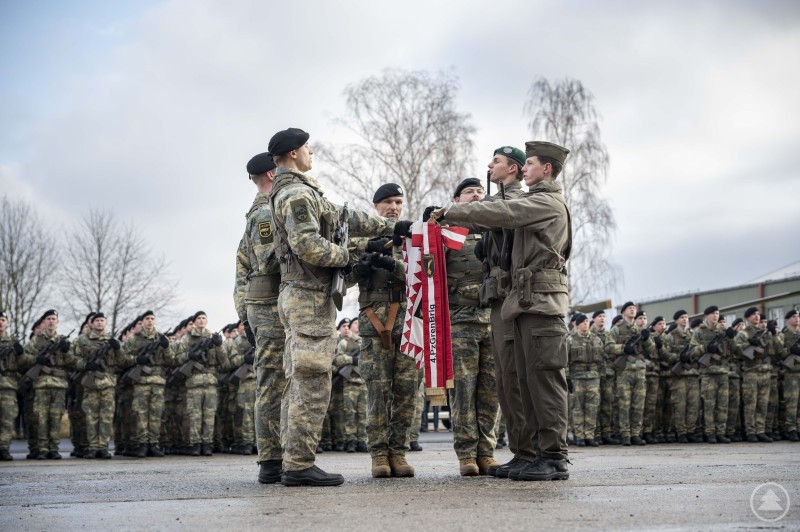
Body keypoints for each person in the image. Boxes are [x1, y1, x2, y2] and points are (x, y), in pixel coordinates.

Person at [431, 140, 572, 481]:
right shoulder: (531, 199)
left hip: (540, 299)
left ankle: (552, 457)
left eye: (531, 163)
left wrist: (450, 212)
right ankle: (527, 453)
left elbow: (505, 213)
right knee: (517, 382)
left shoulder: (544, 201)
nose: (526, 169)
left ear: (546, 169)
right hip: (520, 300)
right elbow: (496, 217)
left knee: (542, 381)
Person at [268, 127, 401, 486]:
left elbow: (342, 218)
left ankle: (290, 461)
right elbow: (309, 245)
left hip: (305, 295)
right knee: (311, 382)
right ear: (294, 153)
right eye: (308, 148)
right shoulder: (295, 193)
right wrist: (355, 254)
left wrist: (392, 227)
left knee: (299, 381)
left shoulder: (302, 191)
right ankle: (298, 465)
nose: (312, 153)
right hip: (307, 296)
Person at [233, 151, 288, 482]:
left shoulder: (260, 212)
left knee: (277, 381)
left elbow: (239, 265)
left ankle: (277, 456)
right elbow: (270, 261)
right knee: (272, 382)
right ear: (271, 173)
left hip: (263, 305)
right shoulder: (266, 213)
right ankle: (271, 460)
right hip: (269, 305)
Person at [445, 177, 499, 476]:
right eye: (470, 192)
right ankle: (466, 453)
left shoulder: (497, 232)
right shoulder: (448, 234)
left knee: (491, 391)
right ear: (456, 200)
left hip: (493, 322)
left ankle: (487, 452)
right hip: (461, 322)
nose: (477, 195)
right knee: (464, 391)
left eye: (481, 191)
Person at [20, 309, 76, 459]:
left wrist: (66, 351)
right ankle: (42, 449)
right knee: (41, 417)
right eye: (48, 319)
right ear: (44, 322)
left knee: (55, 417)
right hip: (41, 384)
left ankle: (53, 448)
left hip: (59, 385)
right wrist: (36, 360)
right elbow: (24, 359)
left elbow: (73, 362)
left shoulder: (63, 341)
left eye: (54, 319)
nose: (51, 321)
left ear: (57, 322)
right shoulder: (36, 341)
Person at [174, 311, 229, 456]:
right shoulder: (187, 338)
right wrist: (189, 355)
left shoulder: (212, 337)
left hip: (210, 381)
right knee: (195, 415)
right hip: (194, 382)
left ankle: (207, 443)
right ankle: (195, 444)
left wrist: (219, 345)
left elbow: (224, 361)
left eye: (204, 318)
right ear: (195, 321)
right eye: (199, 318)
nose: (202, 320)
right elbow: (177, 359)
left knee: (209, 415)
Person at [120, 310, 173, 457]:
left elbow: (171, 360)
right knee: (141, 414)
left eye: (152, 319)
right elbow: (122, 358)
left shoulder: (161, 338)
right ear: (142, 322)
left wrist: (166, 347)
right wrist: (136, 360)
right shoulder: (134, 339)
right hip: (141, 382)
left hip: (158, 381)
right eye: (147, 319)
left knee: (156, 414)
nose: (150, 321)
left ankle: (153, 443)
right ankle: (142, 444)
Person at [689, 306, 732, 443]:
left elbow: (735, 351)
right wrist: (705, 347)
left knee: (723, 405)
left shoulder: (723, 332)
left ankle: (721, 432)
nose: (716, 316)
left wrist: (732, 337)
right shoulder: (700, 332)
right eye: (713, 314)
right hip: (708, 373)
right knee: (709, 405)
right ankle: (710, 433)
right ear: (706, 315)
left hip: (723, 372)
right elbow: (692, 352)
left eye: (717, 314)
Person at [736, 307, 772, 442]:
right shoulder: (744, 334)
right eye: (753, 315)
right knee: (751, 403)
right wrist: (748, 344)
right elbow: (737, 351)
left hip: (765, 371)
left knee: (763, 404)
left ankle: (760, 430)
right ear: (747, 318)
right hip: (751, 372)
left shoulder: (766, 333)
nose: (756, 317)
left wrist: (773, 336)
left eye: (757, 314)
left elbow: (774, 352)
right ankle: (750, 431)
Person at [566, 314, 603, 447]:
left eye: (587, 321)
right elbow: (565, 361)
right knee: (577, 408)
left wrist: (601, 377)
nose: (585, 324)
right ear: (577, 325)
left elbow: (602, 361)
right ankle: (579, 436)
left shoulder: (596, 339)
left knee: (592, 408)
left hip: (593, 378)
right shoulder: (570, 340)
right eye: (582, 322)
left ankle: (589, 435)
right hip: (577, 378)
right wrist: (567, 378)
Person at [0, 311, 25, 460]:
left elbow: (24, 363)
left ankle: (3, 448)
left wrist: (20, 353)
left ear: (7, 323)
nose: (0, 322)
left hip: (8, 387)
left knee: (7, 420)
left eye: (3, 320)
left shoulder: (12, 342)